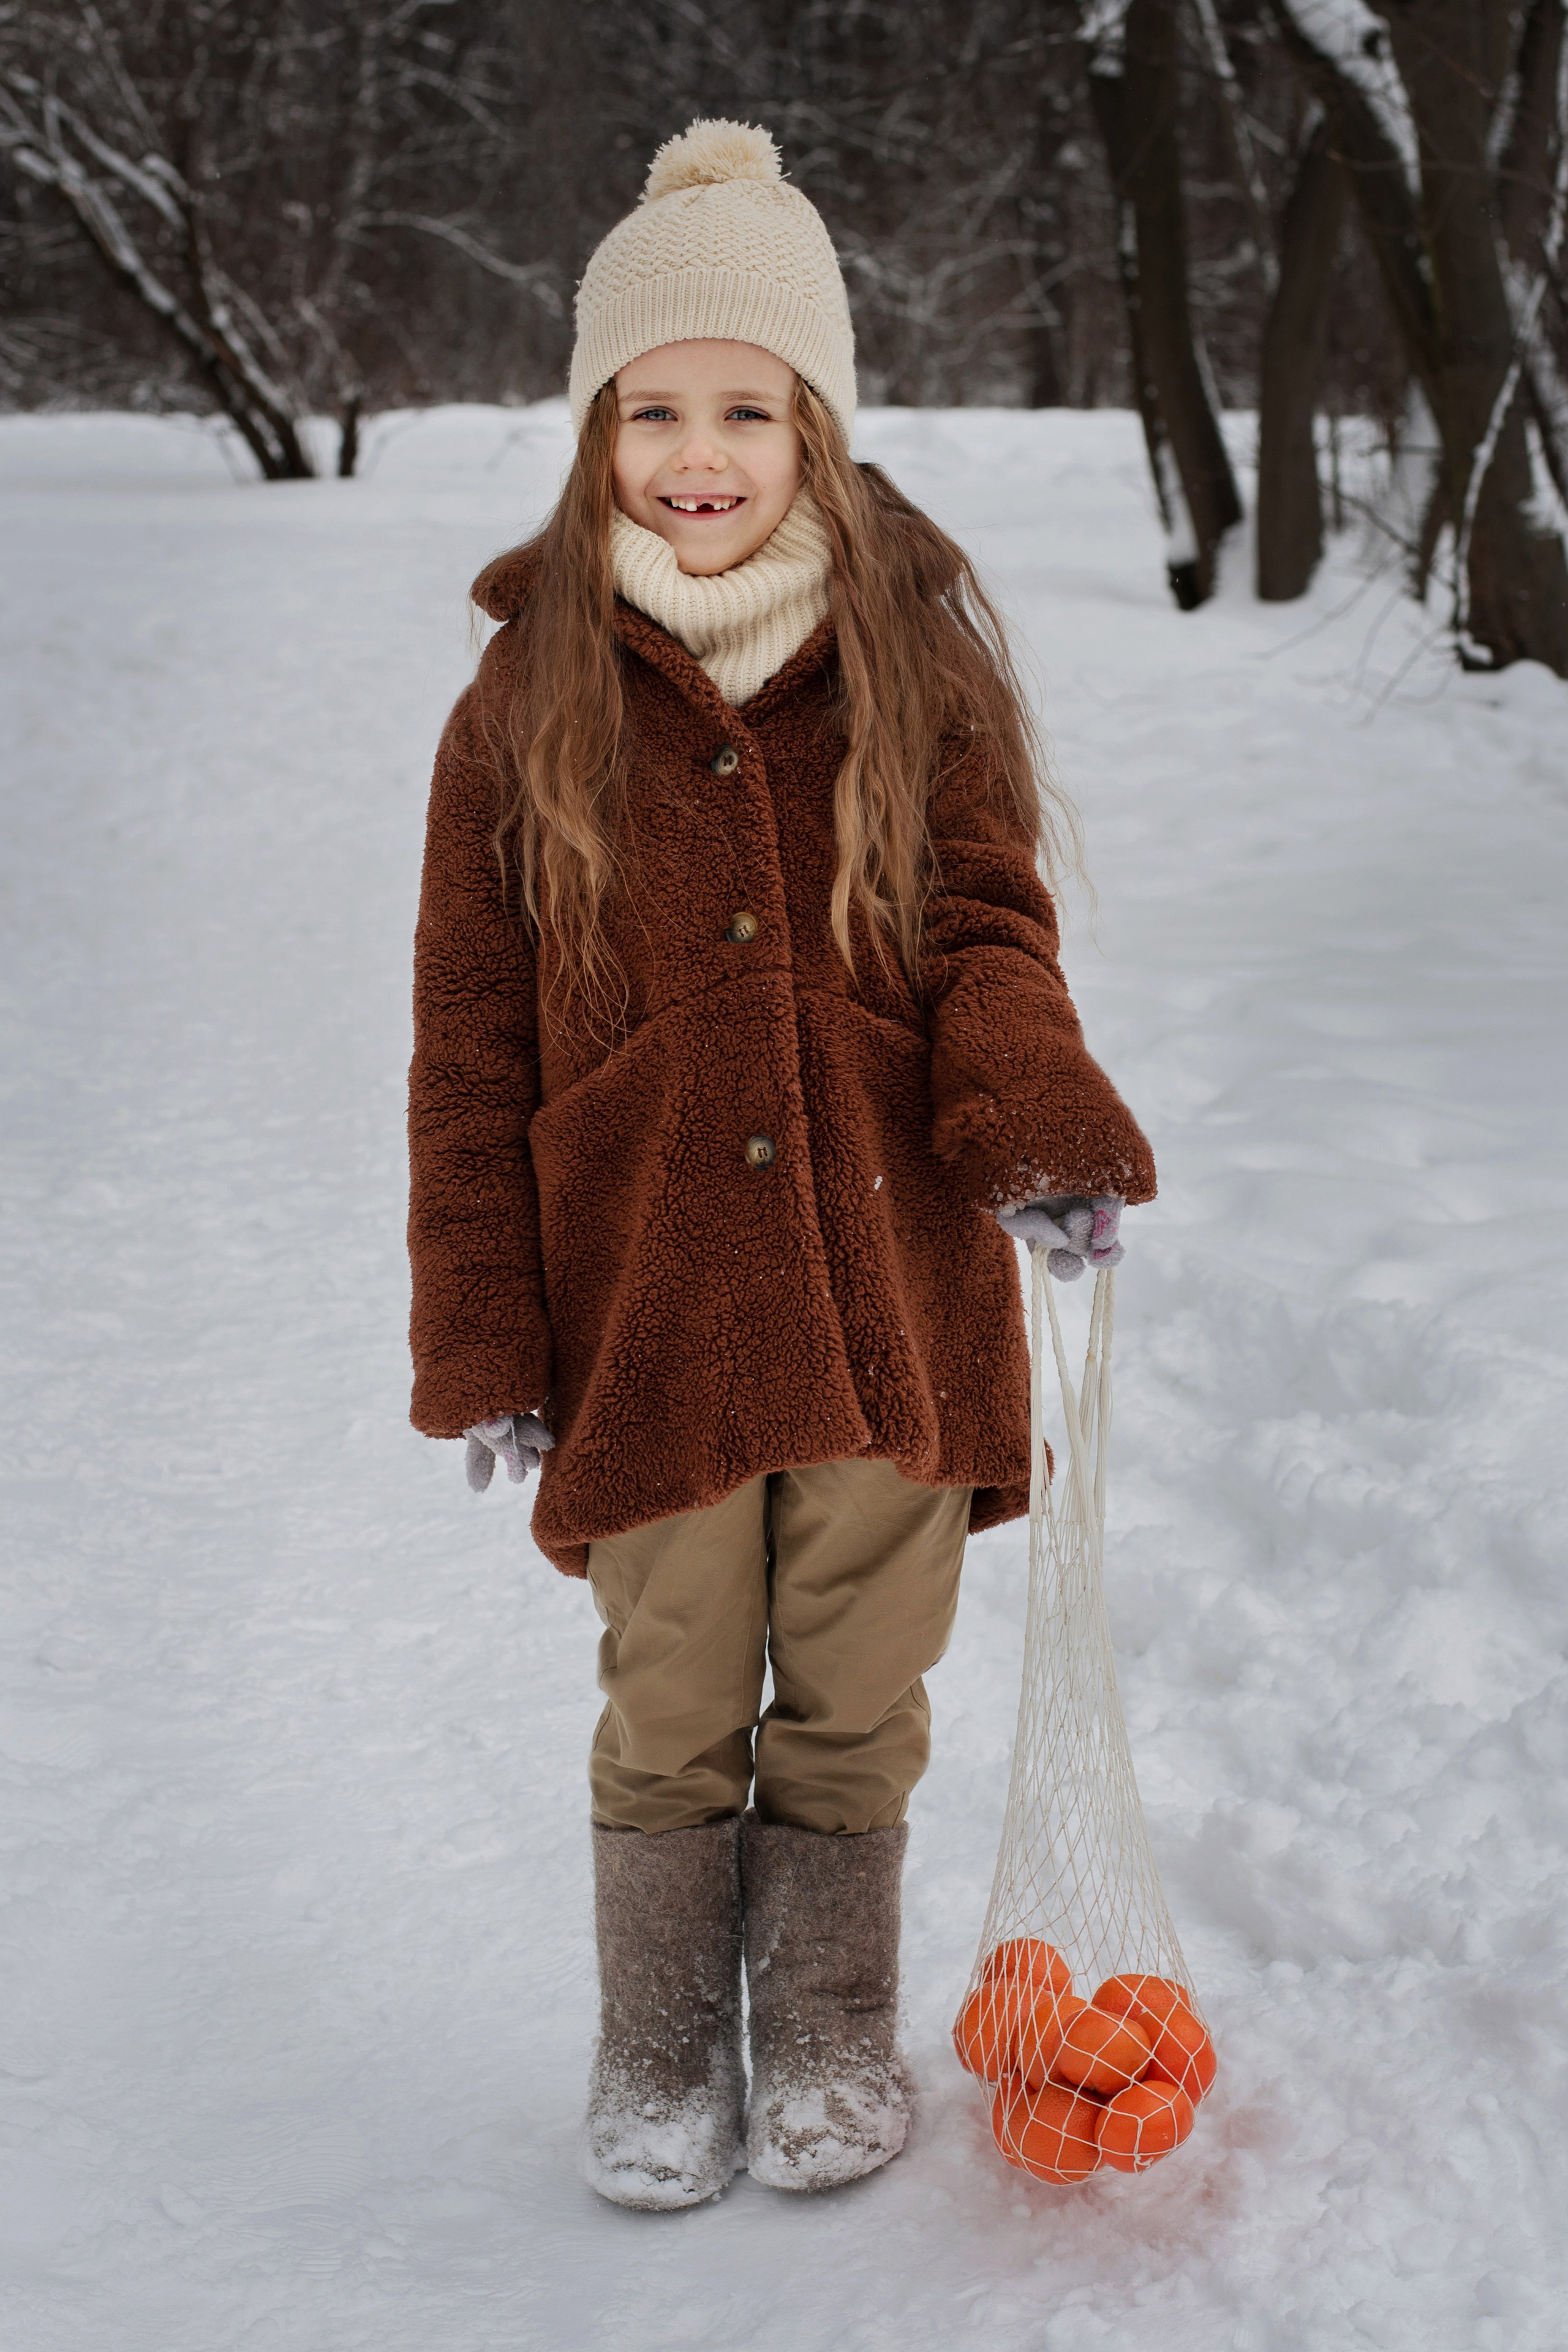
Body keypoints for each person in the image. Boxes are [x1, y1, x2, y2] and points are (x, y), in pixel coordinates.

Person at [406, 118, 1155, 2212]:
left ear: (817, 420)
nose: (700, 451)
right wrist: (484, 1321)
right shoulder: (522, 700)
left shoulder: (910, 665)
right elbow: (466, 1039)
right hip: (645, 1294)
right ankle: (659, 2039)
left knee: (857, 1674)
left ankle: (823, 2025)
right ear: (597, 430)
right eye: (657, 409)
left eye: (747, 405)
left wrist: (1034, 1123)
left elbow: (988, 927)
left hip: (896, 1268)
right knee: (670, 1684)